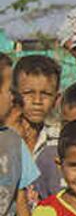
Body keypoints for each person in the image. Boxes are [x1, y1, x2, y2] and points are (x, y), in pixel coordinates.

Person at [7, 55, 62, 199]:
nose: (37, 101)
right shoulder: (5, 135)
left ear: (56, 100)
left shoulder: (60, 139)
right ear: (14, 95)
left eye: (45, 94)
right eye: (28, 93)